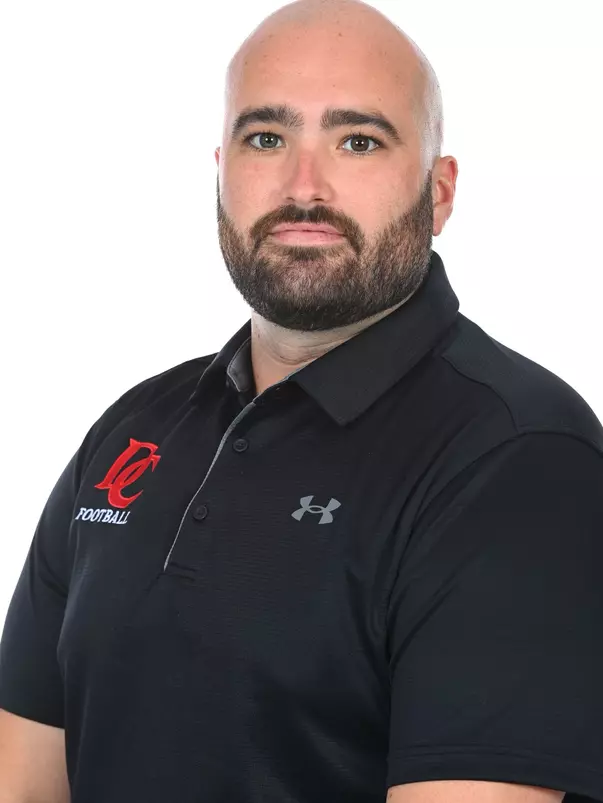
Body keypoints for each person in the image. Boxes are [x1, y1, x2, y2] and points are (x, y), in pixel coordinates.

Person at [0, 1, 602, 801]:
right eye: (266, 138)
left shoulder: (519, 458)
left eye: (358, 141)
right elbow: (23, 780)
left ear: (439, 192)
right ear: (222, 169)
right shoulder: (134, 430)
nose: (303, 187)